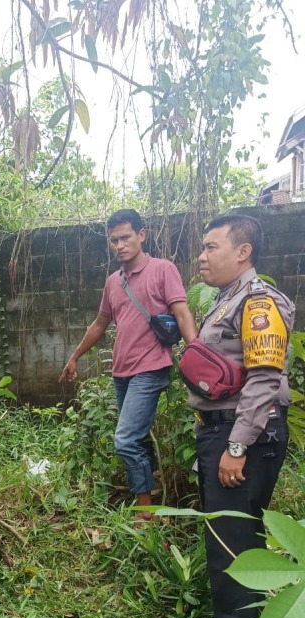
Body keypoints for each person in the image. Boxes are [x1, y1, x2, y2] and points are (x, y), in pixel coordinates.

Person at [177, 213, 294, 618]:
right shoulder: (228, 299)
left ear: (242, 252)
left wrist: (237, 446)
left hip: (244, 434)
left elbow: (265, 379)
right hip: (224, 430)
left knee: (230, 546)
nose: (202, 257)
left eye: (211, 247)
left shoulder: (259, 302)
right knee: (238, 540)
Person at [59, 209, 196, 519]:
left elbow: (182, 312)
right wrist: (75, 356)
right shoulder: (113, 282)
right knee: (139, 435)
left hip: (151, 366)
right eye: (114, 240)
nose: (119, 245)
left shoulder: (163, 270)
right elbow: (99, 323)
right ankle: (154, 486)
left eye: (125, 238)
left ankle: (145, 511)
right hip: (121, 370)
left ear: (142, 235)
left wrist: (196, 351)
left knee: (125, 439)